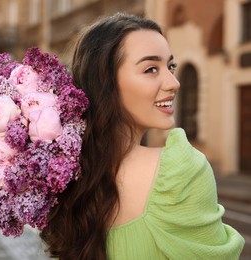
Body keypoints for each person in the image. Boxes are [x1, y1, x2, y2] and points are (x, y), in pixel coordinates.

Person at [39, 12, 245, 259]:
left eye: (170, 66)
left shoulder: (64, 176)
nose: (173, 82)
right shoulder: (180, 171)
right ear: (106, 83)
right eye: (150, 69)